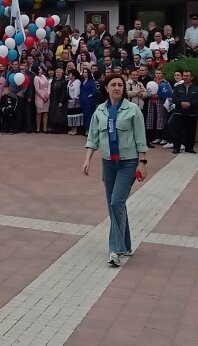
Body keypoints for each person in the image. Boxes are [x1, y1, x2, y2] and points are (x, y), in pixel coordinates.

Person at [83, 74, 148, 267]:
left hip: (128, 163)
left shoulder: (133, 110)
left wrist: (143, 163)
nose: (117, 88)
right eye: (113, 85)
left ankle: (115, 249)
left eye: (120, 85)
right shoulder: (100, 111)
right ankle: (126, 244)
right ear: (106, 88)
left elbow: (140, 138)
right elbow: (92, 137)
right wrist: (87, 159)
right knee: (114, 204)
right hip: (108, 163)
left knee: (116, 202)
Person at [171, 70, 198, 154]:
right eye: (184, 76)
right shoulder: (177, 87)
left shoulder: (197, 88)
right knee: (177, 131)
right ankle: (176, 148)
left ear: (191, 77)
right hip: (179, 113)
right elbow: (174, 98)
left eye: (187, 76)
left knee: (191, 132)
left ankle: (189, 148)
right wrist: (181, 103)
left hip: (191, 114)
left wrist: (190, 104)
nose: (185, 77)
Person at [66, 68, 83, 135]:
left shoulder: (77, 81)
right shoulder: (69, 81)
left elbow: (77, 91)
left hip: (75, 100)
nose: (69, 75)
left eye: (70, 74)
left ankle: (75, 129)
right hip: (69, 100)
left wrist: (74, 99)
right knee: (71, 115)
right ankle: (72, 128)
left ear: (74, 75)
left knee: (75, 114)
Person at [34, 66, 51, 133]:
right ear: (38, 70)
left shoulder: (44, 76)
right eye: (40, 68)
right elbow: (37, 89)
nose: (41, 69)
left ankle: (44, 128)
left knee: (46, 113)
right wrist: (42, 97)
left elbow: (48, 85)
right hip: (39, 97)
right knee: (39, 113)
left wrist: (47, 95)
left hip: (47, 96)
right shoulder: (36, 78)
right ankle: (38, 128)